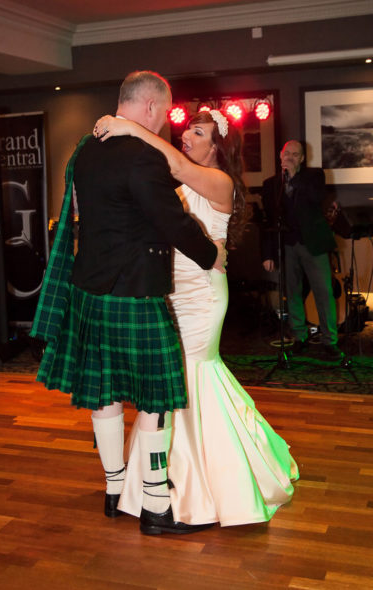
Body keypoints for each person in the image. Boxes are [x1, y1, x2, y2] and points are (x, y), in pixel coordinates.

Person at [30, 71, 226, 535]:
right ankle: (157, 507)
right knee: (157, 395)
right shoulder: (142, 157)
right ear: (152, 108)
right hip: (133, 290)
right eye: (165, 111)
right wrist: (210, 255)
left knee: (105, 392)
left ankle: (115, 488)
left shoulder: (85, 150)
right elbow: (171, 222)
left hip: (89, 288)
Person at [95, 109, 299, 526]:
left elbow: (176, 164)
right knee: (173, 377)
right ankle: (156, 484)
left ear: (217, 148)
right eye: (188, 127)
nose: (187, 134)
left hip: (203, 295)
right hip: (170, 290)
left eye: (198, 131)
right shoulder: (177, 180)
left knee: (189, 373)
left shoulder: (219, 181)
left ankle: (197, 484)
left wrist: (130, 126)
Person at [260, 140, 343, 360]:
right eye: (287, 153)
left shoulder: (314, 177)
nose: (290, 157)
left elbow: (316, 199)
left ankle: (329, 340)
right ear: (280, 155)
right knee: (292, 292)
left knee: (323, 292)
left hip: (313, 244)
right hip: (287, 244)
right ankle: (299, 337)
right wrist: (268, 253)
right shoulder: (270, 185)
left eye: (295, 154)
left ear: (302, 159)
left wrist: (295, 176)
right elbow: (269, 220)